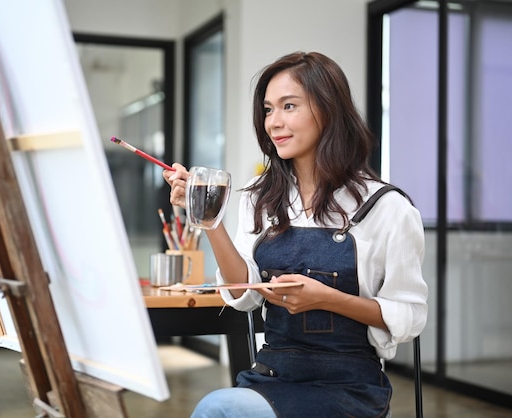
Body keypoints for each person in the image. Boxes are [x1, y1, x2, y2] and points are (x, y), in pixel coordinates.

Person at [163, 51, 428, 418]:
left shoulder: (387, 207)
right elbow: (242, 294)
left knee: (219, 408)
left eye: (289, 106)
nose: (274, 122)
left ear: (328, 110)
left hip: (348, 387)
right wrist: (210, 221)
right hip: (273, 374)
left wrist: (327, 299)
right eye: (269, 109)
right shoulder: (261, 197)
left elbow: (409, 316)